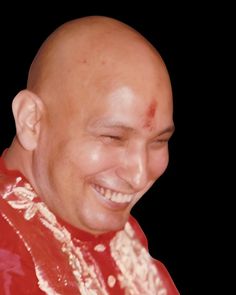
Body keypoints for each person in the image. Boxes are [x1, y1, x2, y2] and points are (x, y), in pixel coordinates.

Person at [0, 16, 179, 294]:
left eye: (159, 141)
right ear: (31, 120)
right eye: (113, 138)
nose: (139, 175)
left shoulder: (119, 237)